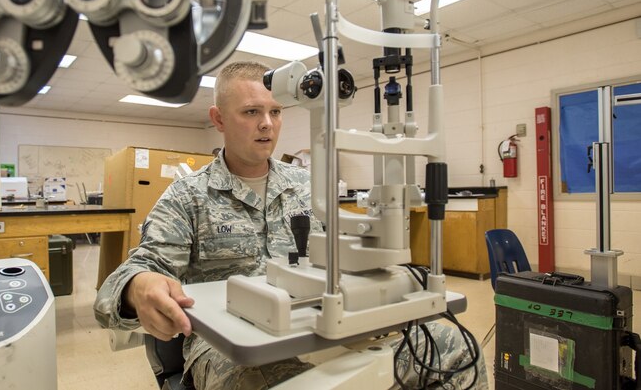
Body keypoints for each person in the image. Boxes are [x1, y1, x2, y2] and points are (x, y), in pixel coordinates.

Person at [95, 61, 488, 389]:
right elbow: (126, 279)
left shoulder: (307, 187)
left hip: (316, 323)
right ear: (218, 119)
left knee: (454, 345)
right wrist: (137, 287)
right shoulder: (188, 196)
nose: (267, 124)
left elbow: (343, 251)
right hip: (231, 350)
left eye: (276, 112)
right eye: (251, 112)